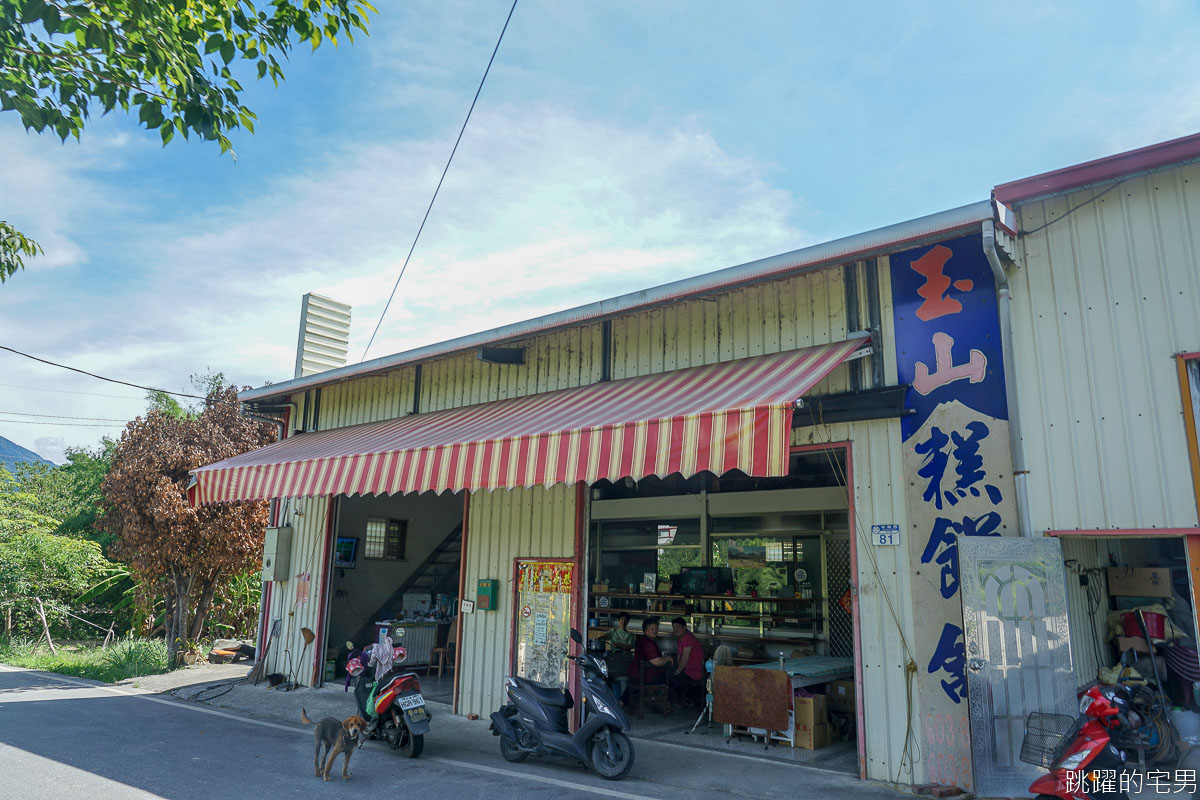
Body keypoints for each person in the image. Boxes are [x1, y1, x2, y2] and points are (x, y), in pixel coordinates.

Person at [671, 617, 706, 705]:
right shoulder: (680, 639)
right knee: (671, 675)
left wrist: (678, 671)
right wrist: (678, 669)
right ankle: (680, 701)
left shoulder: (688, 638)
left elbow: (685, 657)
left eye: (678, 627)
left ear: (685, 627)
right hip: (687, 669)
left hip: (694, 670)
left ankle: (681, 702)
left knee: (672, 678)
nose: (676, 630)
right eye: (674, 627)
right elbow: (679, 655)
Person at [630, 616, 672, 686]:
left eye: (656, 629)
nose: (655, 631)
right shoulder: (648, 643)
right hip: (645, 677)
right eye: (652, 629)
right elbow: (656, 661)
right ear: (646, 630)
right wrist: (668, 658)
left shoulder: (647, 641)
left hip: (639, 675)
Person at [604, 613, 636, 703]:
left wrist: (617, 644)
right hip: (613, 658)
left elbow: (629, 646)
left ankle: (621, 702)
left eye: (625, 620)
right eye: (621, 620)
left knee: (624, 678)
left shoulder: (630, 635)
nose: (623, 622)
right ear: (618, 621)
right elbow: (602, 637)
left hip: (624, 660)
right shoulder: (612, 632)